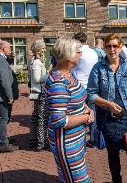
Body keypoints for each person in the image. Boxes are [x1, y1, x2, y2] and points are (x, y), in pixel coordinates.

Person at [88, 33, 127, 183]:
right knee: (113, 155)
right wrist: (108, 104)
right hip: (108, 120)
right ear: (105, 48)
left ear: (121, 47)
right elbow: (91, 94)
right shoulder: (98, 68)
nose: (112, 49)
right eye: (109, 46)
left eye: (115, 46)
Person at [46, 38, 94, 182]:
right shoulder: (59, 83)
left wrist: (86, 108)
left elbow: (77, 98)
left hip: (77, 137)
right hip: (66, 142)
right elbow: (59, 121)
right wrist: (86, 118)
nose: (81, 55)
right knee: (78, 179)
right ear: (68, 55)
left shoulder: (70, 74)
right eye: (78, 52)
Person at [0, 41, 20, 153]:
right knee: (4, 118)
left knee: (2, 117)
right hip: (3, 95)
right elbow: (4, 79)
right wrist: (9, 96)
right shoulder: (0, 60)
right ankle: (2, 144)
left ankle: (1, 139)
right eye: (9, 48)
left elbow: (2, 69)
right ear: (3, 48)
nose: (10, 50)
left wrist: (10, 58)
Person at [72, 32, 99, 147]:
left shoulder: (77, 53)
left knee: (80, 114)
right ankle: (93, 139)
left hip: (80, 87)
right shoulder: (94, 52)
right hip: (93, 86)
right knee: (92, 113)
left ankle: (81, 140)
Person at [28, 39, 49, 151]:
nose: (45, 49)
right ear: (38, 49)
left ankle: (34, 140)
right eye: (43, 48)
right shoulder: (36, 62)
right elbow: (36, 79)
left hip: (36, 92)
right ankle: (41, 143)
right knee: (41, 118)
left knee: (36, 116)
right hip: (40, 93)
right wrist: (48, 75)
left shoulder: (34, 60)